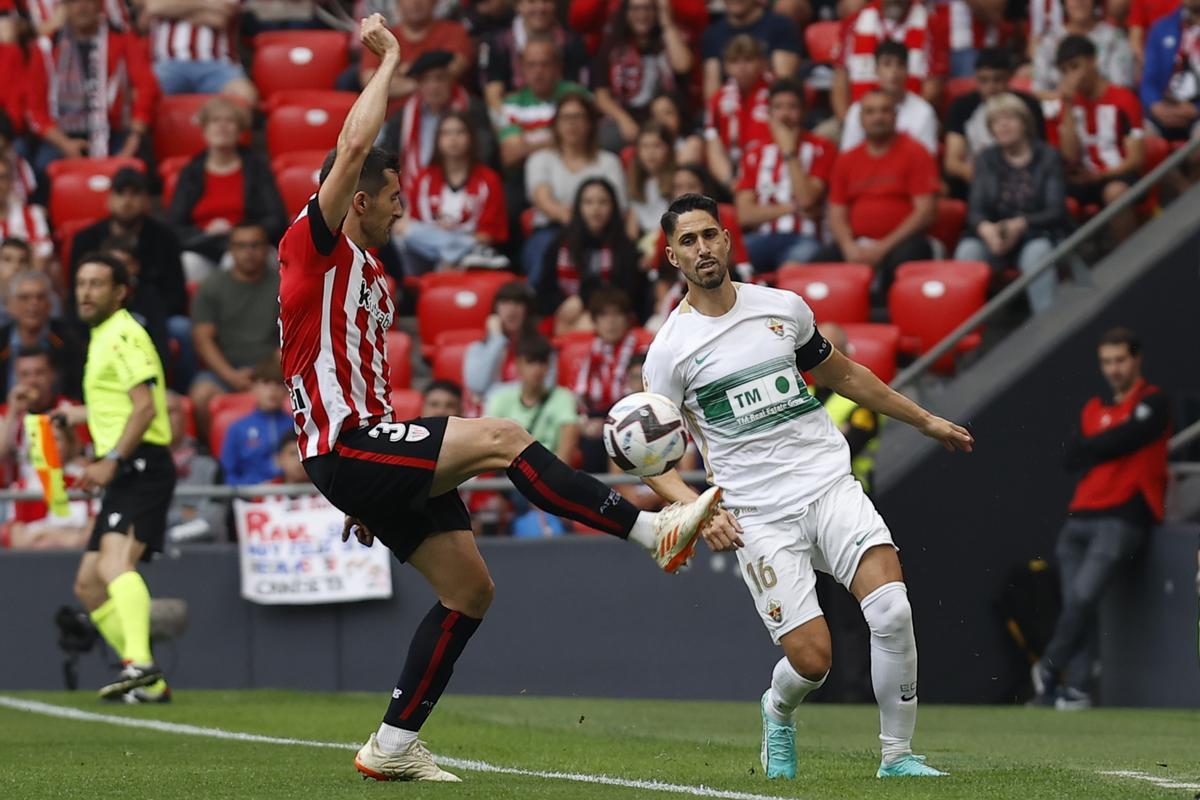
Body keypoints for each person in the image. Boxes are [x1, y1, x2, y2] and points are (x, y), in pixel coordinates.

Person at [276, 16, 721, 782]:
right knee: (506, 437)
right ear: (354, 202)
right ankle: (654, 533)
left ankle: (391, 745)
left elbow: (349, 376)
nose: (400, 210)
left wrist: (375, 488)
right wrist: (390, 61)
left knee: (471, 590)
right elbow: (352, 148)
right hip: (345, 444)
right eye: (392, 198)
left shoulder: (374, 276)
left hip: (363, 448)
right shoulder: (313, 247)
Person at [643, 192, 972, 780]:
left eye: (710, 235)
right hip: (758, 515)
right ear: (672, 256)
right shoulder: (670, 350)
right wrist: (698, 510)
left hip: (828, 484)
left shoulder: (783, 308)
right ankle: (777, 709)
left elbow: (842, 374)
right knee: (813, 661)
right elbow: (654, 460)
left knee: (892, 610)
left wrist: (924, 419)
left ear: (727, 239)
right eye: (687, 241)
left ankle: (897, 758)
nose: (702, 248)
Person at [56, 251, 176, 703]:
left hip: (139, 464)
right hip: (130, 465)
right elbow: (121, 404)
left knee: (113, 566)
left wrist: (111, 460)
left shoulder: (122, 334)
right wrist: (75, 415)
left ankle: (141, 665)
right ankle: (151, 683)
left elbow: (144, 407)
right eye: (81, 283)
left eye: (96, 284)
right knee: (89, 584)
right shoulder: (105, 335)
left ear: (119, 292)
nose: (85, 292)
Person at [1031, 328, 1170, 710]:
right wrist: (1104, 444)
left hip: (1124, 515)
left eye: (1120, 360)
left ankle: (1049, 667)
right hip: (1082, 513)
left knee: (1083, 596)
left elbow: (1122, 440)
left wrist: (1098, 445)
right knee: (1078, 602)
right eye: (1107, 362)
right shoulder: (1094, 407)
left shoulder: (1154, 402)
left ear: (1136, 359)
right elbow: (1071, 456)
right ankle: (1076, 689)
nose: (1114, 369)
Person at [816, 90, 938, 297]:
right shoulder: (846, 159)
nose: (878, 117)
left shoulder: (916, 152)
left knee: (909, 255)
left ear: (895, 116)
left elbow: (925, 211)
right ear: (861, 119)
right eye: (870, 112)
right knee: (818, 265)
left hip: (900, 243)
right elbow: (836, 211)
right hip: (855, 244)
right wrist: (848, 246)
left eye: (884, 111)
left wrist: (883, 247)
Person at [954, 93, 1069, 314]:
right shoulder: (986, 158)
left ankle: (1048, 326)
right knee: (967, 251)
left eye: (1009, 118)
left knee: (1038, 254)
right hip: (995, 236)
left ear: (1025, 122)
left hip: (1037, 233)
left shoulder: (1048, 156)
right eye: (996, 121)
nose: (1003, 125)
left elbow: (1056, 210)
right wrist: (986, 229)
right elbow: (975, 210)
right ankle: (966, 335)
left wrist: (1020, 225)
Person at [24, 0, 158, 168]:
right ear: (64, 7)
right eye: (75, 2)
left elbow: (147, 86)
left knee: (136, 166)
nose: (82, 7)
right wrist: (65, 144)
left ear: (99, 5)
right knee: (42, 167)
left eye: (89, 1)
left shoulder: (121, 39)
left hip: (114, 131)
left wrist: (134, 137)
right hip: (61, 134)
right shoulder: (47, 48)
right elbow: (35, 109)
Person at [166, 96, 286, 280]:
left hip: (248, 247)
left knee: (235, 260)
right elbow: (175, 225)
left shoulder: (257, 169)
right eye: (215, 121)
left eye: (230, 121)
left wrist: (239, 233)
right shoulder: (190, 172)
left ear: (239, 132)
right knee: (187, 262)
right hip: (203, 247)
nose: (222, 126)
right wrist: (204, 233)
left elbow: (276, 219)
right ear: (204, 131)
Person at [522, 92, 628, 283]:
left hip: (600, 234)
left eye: (578, 117)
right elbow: (545, 202)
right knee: (547, 247)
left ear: (590, 123)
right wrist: (580, 222)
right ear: (556, 124)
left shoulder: (608, 161)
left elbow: (618, 204)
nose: (572, 124)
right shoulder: (540, 159)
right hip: (552, 231)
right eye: (565, 118)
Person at [188, 223, 281, 439]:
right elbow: (203, 340)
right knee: (201, 395)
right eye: (241, 246)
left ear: (267, 249)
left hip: (274, 372)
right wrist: (232, 377)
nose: (248, 252)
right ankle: (213, 456)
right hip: (225, 370)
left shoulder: (283, 284)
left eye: (255, 245)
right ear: (230, 250)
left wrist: (266, 373)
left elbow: (294, 337)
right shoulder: (211, 286)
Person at [734, 77, 835, 273]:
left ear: (804, 112)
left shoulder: (822, 148)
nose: (785, 114)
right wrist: (793, 207)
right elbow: (744, 215)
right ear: (769, 113)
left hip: (805, 238)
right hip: (761, 239)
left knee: (790, 273)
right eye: (778, 107)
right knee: (722, 259)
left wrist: (789, 152)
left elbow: (806, 199)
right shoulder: (754, 153)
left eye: (792, 107)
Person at [1053, 35, 1145, 242]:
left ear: (1092, 60)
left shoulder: (1123, 98)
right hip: (1084, 177)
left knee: (1115, 192)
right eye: (1065, 71)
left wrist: (1101, 176)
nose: (1071, 76)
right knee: (1052, 198)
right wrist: (1066, 106)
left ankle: (1130, 256)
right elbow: (1069, 155)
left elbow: (1137, 159)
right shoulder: (1069, 105)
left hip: (1118, 174)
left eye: (1075, 66)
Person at [395, 110, 510, 274]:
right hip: (427, 254)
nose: (453, 139)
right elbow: (411, 228)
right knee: (405, 233)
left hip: (470, 246)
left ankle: (452, 257)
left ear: (471, 138)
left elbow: (488, 235)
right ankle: (460, 254)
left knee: (446, 259)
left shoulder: (489, 179)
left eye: (460, 132)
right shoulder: (423, 178)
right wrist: (446, 238)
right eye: (446, 133)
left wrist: (451, 236)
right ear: (438, 140)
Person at [69, 167, 188, 324]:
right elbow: (74, 292)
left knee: (180, 326)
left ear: (147, 200)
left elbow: (176, 295)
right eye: (120, 193)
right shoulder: (85, 240)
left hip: (154, 316)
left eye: (135, 193)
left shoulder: (165, 238)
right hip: (98, 315)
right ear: (108, 199)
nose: (127, 201)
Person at [537, 178, 646, 333]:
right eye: (588, 202)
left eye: (603, 202)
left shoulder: (624, 247)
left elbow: (628, 293)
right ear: (578, 207)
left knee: (586, 325)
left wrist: (584, 300)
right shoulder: (560, 243)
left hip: (611, 317)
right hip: (564, 313)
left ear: (613, 207)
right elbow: (544, 289)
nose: (595, 209)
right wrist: (563, 306)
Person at [380, 50, 493, 194]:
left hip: (463, 187)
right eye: (426, 80)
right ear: (418, 85)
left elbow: (484, 153)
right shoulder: (403, 117)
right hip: (411, 191)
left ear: (451, 80)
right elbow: (387, 158)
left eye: (440, 79)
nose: (433, 86)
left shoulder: (471, 109)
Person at [591, 0, 695, 150]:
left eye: (648, 9)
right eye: (636, 9)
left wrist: (666, 22)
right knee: (604, 139)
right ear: (626, 13)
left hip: (663, 120)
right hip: (626, 118)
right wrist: (623, 120)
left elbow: (683, 65)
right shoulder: (612, 46)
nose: (642, 14)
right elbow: (601, 96)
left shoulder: (668, 40)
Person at [943, 47, 1045, 198]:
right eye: (983, 80)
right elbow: (952, 162)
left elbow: (1039, 152)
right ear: (975, 78)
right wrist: (985, 182)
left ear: (1009, 77)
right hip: (977, 179)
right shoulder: (961, 107)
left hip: (1023, 178)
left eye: (997, 79)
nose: (990, 87)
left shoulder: (1028, 105)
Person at [833, 0, 947, 121]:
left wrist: (904, 121)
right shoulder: (854, 22)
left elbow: (933, 87)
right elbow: (840, 83)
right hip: (859, 119)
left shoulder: (931, 24)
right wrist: (847, 122)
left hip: (911, 121)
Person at [573, 287, 646, 471]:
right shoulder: (591, 353)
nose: (611, 322)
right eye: (604, 316)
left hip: (636, 416)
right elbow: (581, 400)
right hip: (597, 420)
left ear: (627, 319)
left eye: (617, 315)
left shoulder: (644, 347)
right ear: (595, 322)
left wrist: (607, 424)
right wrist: (584, 424)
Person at [479, 0, 590, 116]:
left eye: (546, 2)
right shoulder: (498, 43)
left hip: (562, 119)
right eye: (532, 2)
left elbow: (579, 93)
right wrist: (509, 127)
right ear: (518, 6)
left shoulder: (572, 42)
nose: (540, 8)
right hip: (513, 118)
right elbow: (493, 95)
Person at [496, 37, 590, 173]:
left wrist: (530, 144)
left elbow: (589, 141)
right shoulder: (511, 105)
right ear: (522, 69)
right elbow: (510, 157)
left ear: (558, 67)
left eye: (545, 64)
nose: (538, 71)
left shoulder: (577, 95)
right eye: (531, 65)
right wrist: (559, 140)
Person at [483, 333, 579, 463]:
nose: (537, 369)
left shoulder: (563, 397)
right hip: (507, 474)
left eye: (542, 362)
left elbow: (567, 442)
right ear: (518, 365)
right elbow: (488, 443)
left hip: (549, 474)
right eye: (531, 362)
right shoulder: (500, 399)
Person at [359, 0, 473, 102]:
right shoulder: (381, 37)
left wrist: (400, 73)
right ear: (397, 4)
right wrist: (422, 82)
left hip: (447, 113)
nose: (415, 2)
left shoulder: (455, 32)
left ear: (435, 2)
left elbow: (454, 69)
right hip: (392, 118)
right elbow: (371, 85)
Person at [144, 0, 257, 103]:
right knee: (141, 95)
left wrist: (172, 11)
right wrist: (208, 4)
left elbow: (219, 18)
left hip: (218, 65)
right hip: (167, 64)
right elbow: (154, 7)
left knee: (244, 95)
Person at [840, 41, 939, 155]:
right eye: (887, 64)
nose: (894, 71)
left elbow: (926, 160)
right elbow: (848, 156)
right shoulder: (858, 109)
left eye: (900, 64)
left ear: (908, 70)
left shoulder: (924, 111)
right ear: (876, 70)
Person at [0, 270, 84, 398]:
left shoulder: (69, 339)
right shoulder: (2, 340)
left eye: (40, 297)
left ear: (50, 304)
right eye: (24, 298)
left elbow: (77, 388)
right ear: (10, 306)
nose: (33, 303)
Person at [704, 34, 773, 186]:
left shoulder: (776, 92)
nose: (742, 67)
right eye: (734, 61)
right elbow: (712, 142)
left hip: (769, 169)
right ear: (726, 67)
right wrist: (731, 182)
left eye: (748, 60)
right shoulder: (718, 98)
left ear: (762, 62)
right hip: (732, 175)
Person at [700, 0, 800, 103]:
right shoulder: (712, 34)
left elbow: (783, 82)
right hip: (730, 106)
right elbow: (712, 90)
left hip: (768, 105)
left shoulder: (780, 26)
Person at [463, 280, 547, 401]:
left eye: (518, 303)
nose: (512, 310)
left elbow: (543, 389)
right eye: (505, 302)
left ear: (527, 311)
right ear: (495, 310)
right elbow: (478, 386)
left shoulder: (541, 349)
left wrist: (492, 392)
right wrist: (497, 339)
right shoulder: (477, 349)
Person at [1032, 0, 1135, 95]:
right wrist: (1064, 98)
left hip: (1105, 109)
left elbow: (1121, 87)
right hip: (1057, 109)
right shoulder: (1049, 42)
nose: (1079, 1)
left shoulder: (1115, 39)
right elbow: (1038, 90)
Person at [163, 390, 224, 544]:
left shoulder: (209, 463)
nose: (164, 419)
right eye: (157, 413)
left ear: (184, 418)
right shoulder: (137, 466)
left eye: (170, 412)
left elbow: (212, 521)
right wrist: (187, 513)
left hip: (201, 554)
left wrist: (169, 535)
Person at [220, 359, 293, 486]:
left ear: (287, 389)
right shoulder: (238, 429)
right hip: (250, 499)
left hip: (295, 497)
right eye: (266, 383)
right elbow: (227, 475)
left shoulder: (297, 426)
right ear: (253, 387)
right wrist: (252, 488)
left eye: (278, 384)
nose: (272, 390)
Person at [1141, 0, 1200, 142]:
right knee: (1141, 143)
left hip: (1197, 113)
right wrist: (1156, 106)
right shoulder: (1161, 28)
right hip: (1164, 110)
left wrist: (1196, 109)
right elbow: (1148, 81)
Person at [0, 157, 52, 270]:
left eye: (2, 178)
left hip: (23, 281)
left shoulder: (32, 214)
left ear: (10, 182)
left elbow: (42, 257)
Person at [647, 91, 705, 165]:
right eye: (655, 115)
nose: (661, 120)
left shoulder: (692, 143)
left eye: (667, 113)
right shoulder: (645, 147)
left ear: (680, 115)